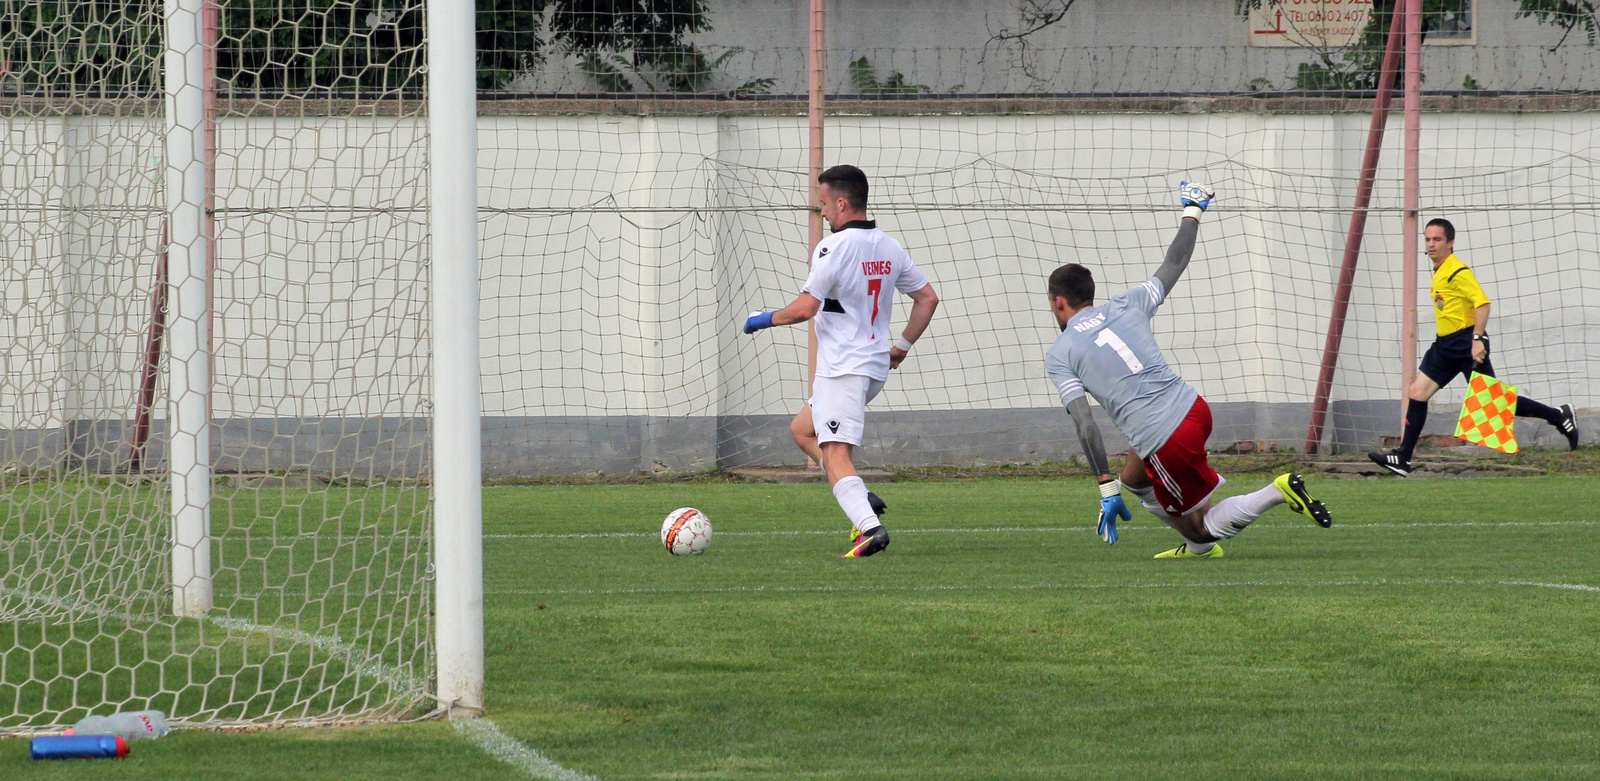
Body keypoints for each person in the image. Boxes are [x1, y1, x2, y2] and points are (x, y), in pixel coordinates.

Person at [1044, 182, 1332, 559]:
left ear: (1058, 301)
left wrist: (1104, 485)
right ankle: (1193, 536)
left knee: (1199, 526)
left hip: (1165, 438)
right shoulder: (1127, 303)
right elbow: (1174, 263)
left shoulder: (1060, 352)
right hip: (1194, 408)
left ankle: (1272, 495)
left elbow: (1085, 423)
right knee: (1132, 477)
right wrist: (1192, 211)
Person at [742, 164, 940, 557]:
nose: (823, 213)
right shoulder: (889, 245)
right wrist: (900, 346)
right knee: (802, 431)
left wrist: (762, 319)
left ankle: (870, 529)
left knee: (835, 453)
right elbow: (928, 298)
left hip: (843, 369)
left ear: (843, 202)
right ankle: (861, 495)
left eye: (824, 205)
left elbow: (804, 309)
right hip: (872, 368)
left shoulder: (832, 247)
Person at [1368, 218, 1579, 477]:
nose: (1431, 244)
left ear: (1450, 242)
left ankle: (1559, 416)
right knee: (1418, 392)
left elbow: (1482, 303)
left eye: (1437, 239)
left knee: (1492, 402)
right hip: (1444, 346)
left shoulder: (1458, 271)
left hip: (1465, 343)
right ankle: (1403, 457)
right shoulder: (1440, 270)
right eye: (1428, 239)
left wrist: (1477, 339)